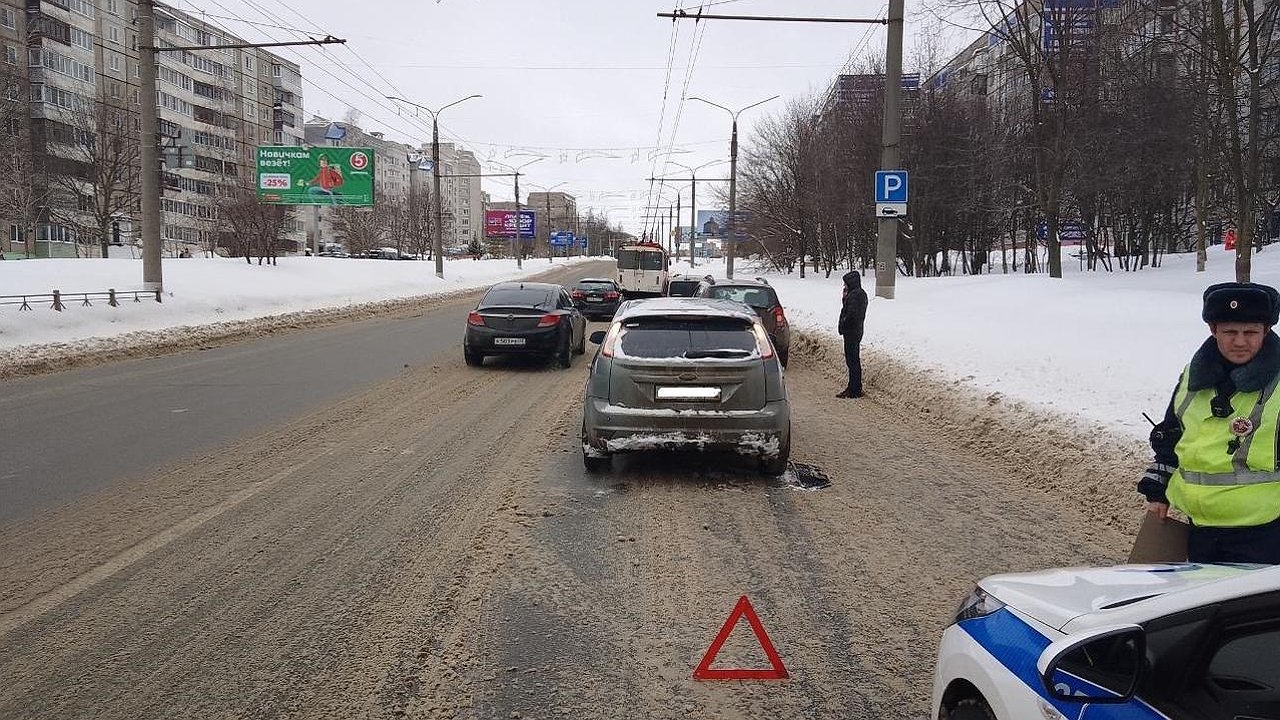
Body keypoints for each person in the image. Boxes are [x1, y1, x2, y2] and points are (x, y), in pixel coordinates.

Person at [1140, 281, 1280, 564]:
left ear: (1266, 330)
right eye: (1230, 332)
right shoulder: (1192, 376)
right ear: (1213, 329)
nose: (1240, 342)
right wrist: (1158, 493)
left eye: (1250, 332)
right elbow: (1172, 437)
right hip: (1200, 529)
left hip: (1264, 536)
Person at [837, 270, 868, 399]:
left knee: (852, 361)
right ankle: (853, 387)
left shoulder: (856, 295)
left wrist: (844, 324)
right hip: (854, 331)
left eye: (846, 284)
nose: (844, 286)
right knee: (852, 360)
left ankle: (854, 389)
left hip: (852, 332)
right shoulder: (858, 294)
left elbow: (851, 315)